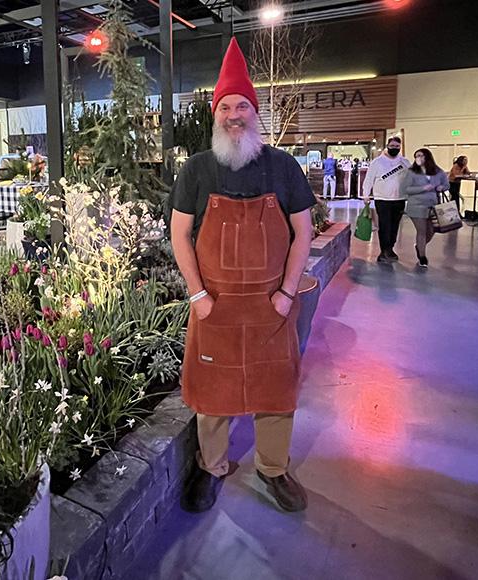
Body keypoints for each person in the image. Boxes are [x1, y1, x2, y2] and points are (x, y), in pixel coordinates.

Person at [169, 38, 315, 514]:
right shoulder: (196, 170)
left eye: (243, 106)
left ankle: (273, 469)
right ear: (216, 114)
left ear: (256, 112)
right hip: (216, 305)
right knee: (213, 398)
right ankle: (212, 468)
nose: (235, 114)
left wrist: (287, 294)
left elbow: (303, 230)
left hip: (271, 305)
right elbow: (180, 234)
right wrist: (197, 297)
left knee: (277, 394)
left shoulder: (283, 167)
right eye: (226, 106)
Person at [362, 136, 411, 262]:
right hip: (382, 199)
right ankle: (383, 251)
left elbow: (412, 177)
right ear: (387, 146)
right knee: (384, 225)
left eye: (397, 147)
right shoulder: (377, 162)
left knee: (395, 226)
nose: (394, 148)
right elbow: (369, 180)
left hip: (399, 199)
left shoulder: (404, 162)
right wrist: (366, 194)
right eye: (392, 146)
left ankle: (390, 248)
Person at [401, 149, 449, 268]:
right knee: (421, 231)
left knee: (431, 230)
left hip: (433, 205)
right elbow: (405, 189)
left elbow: (447, 184)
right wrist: (423, 188)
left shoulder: (438, 171)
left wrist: (442, 187)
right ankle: (422, 257)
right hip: (416, 206)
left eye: (421, 155)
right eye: (416, 156)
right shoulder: (411, 172)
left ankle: (419, 246)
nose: (419, 158)